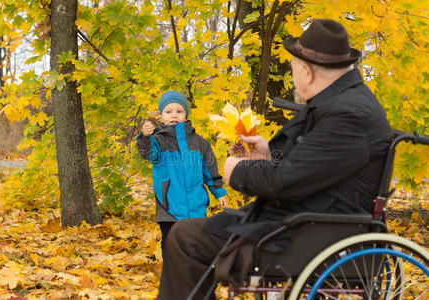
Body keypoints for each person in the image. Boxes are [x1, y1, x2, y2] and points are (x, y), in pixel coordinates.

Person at [156, 19, 393, 299]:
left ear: (306, 71)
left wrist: (238, 171)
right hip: (312, 223)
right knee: (188, 232)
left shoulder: (347, 114)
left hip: (310, 236)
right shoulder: (346, 103)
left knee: (185, 238)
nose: (294, 77)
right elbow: (316, 166)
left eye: (293, 69)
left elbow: (287, 180)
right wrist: (269, 154)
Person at [136, 90, 227, 253]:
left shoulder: (200, 143)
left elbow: (210, 170)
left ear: (185, 115)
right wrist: (145, 137)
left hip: (196, 206)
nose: (174, 115)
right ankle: (172, 275)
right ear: (161, 115)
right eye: (168, 111)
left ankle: (195, 274)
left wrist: (219, 192)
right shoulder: (158, 140)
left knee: (197, 245)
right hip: (170, 206)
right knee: (171, 245)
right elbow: (148, 154)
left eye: (179, 111)